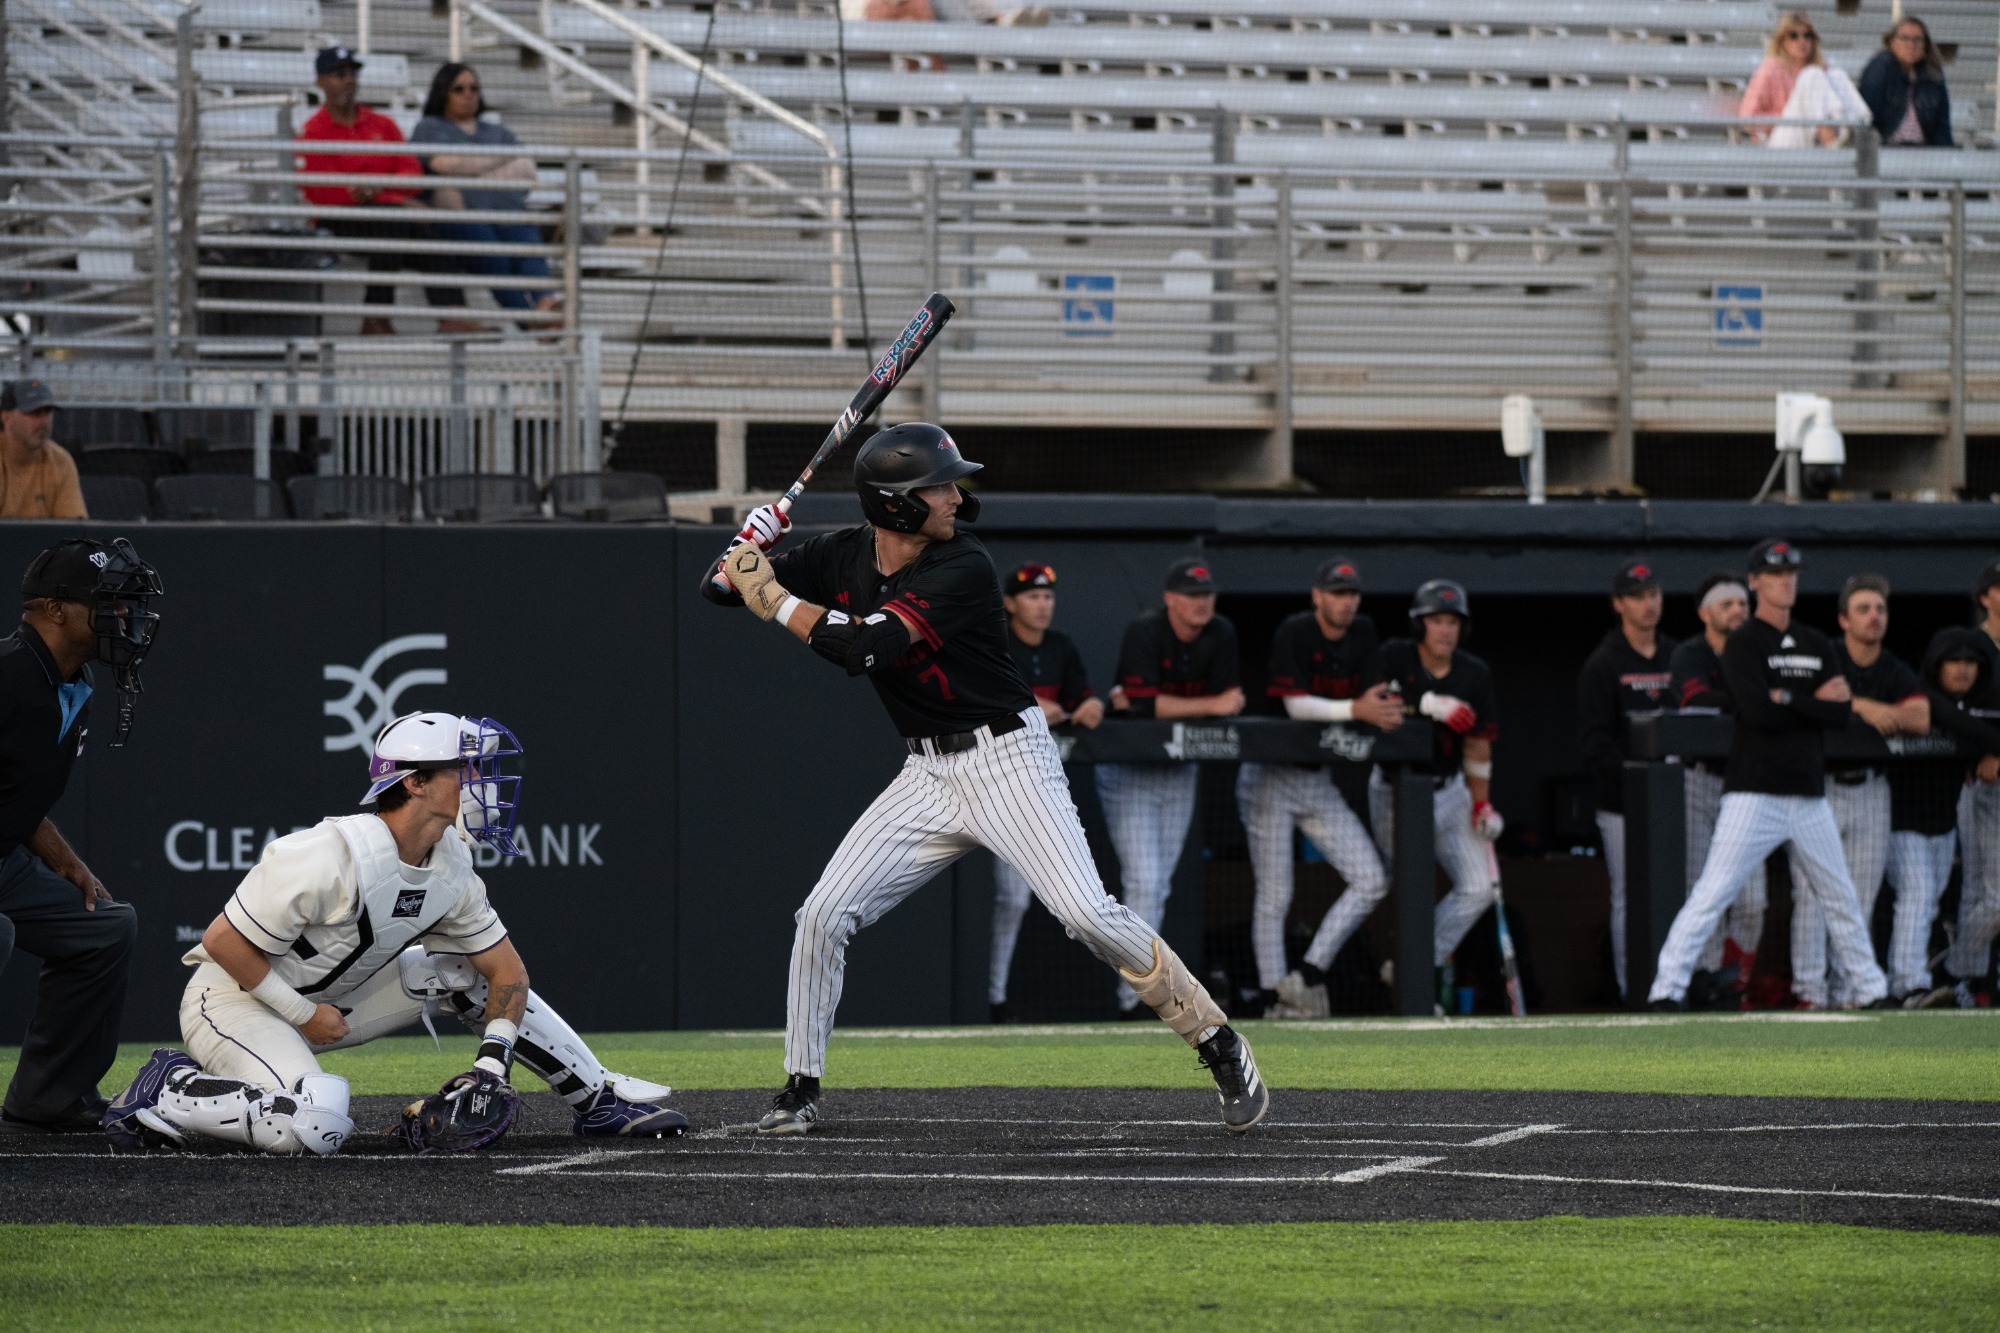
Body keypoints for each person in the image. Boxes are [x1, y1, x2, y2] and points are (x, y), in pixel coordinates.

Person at [704, 423, 1267, 1134]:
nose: (952, 494)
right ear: (896, 504)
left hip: (1007, 758)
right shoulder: (844, 552)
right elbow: (720, 589)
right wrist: (748, 543)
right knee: (821, 914)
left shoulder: (963, 563)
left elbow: (865, 646)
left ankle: (1216, 1037)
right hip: (928, 770)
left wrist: (772, 594)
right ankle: (799, 1087)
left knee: (1087, 915)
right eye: (936, 484)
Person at [100, 711, 686, 1154]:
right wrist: (302, 1016)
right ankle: (167, 1086)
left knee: (458, 969)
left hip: (330, 1001)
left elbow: (507, 974)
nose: (482, 780)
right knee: (316, 1122)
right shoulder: (324, 855)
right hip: (232, 999)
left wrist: (490, 1066)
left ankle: (597, 1101)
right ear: (415, 782)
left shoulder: (451, 861)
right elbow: (224, 943)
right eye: (467, 768)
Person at [1648, 540, 1889, 1011]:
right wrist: (1806, 702)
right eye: (1776, 574)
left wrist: (1788, 698)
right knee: (1713, 893)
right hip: (1753, 792)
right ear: (1755, 581)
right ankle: (1666, 988)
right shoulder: (1743, 641)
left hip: (1807, 794)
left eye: (1792, 573)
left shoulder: (1816, 641)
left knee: (1840, 896)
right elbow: (1756, 710)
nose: (1786, 581)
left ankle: (1872, 989)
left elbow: (1840, 713)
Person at [0, 539, 156, 1133]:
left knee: (105, 926)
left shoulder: (72, 683)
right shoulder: (7, 673)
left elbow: (17, 794)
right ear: (55, 609)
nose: (126, 617)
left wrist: (66, 863)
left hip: (5, 860)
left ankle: (49, 1096)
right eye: (110, 603)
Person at [1235, 556, 1399, 1018]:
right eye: (1337, 593)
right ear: (1318, 596)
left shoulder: (1364, 633)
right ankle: (1272, 999)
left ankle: (1308, 975)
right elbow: (1294, 705)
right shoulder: (1295, 631)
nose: (1346, 603)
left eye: (1352, 594)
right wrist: (1355, 711)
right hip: (1270, 774)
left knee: (1371, 878)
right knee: (1275, 894)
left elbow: (1376, 695)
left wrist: (1385, 706)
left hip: (1317, 778)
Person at [1100, 555, 1243, 1016]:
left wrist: (1173, 704)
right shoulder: (1147, 630)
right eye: (1191, 595)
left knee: (1158, 887)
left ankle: (1139, 996)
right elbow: (1140, 705)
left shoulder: (1221, 634)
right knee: (1145, 880)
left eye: (1207, 595)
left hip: (1181, 771)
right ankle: (1132, 1000)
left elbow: (1233, 702)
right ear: (1170, 599)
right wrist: (1207, 704)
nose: (1201, 603)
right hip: (1131, 769)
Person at [1788, 575, 1927, 1009]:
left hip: (1871, 788)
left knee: (1859, 894)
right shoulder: (1823, 655)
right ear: (1844, 619)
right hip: (1819, 788)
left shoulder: (1891, 667)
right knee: (1811, 894)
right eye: (1864, 609)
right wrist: (1862, 707)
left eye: (1880, 609)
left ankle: (1850, 991)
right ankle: (1810, 991)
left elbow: (1920, 718)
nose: (1874, 617)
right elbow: (1799, 700)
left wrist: (1868, 708)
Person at [1367, 579, 1502, 976]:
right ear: (1419, 625)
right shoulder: (1394, 656)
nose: (1445, 630)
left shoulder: (1475, 674)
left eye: (1453, 622)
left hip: (1450, 790)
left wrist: (1482, 802)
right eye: (1436, 620)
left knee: (1479, 888)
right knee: (1411, 885)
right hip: (1393, 791)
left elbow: (1478, 745)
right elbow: (1373, 708)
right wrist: (1426, 705)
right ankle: (1413, 973)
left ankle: (1415, 965)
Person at [987, 561, 1103, 1022]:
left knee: (1073, 902)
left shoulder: (1061, 647)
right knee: (1010, 899)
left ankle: (999, 1000)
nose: (1042, 605)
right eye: (1033, 597)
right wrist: (1035, 708)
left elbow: (1084, 698)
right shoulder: (998, 642)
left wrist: (1089, 704)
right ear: (1010, 603)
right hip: (995, 781)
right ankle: (992, 998)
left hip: (1047, 786)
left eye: (1048, 597)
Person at [295, 46, 475, 336]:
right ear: (321, 82)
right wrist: (387, 195)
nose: (349, 79)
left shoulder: (382, 124)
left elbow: (411, 171)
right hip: (340, 220)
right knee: (396, 223)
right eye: (339, 73)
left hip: (386, 217)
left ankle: (450, 315)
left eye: (353, 72)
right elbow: (323, 191)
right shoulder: (314, 131)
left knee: (426, 234)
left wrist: (375, 189)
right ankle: (380, 315)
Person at [1576, 559, 1677, 999]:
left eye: (1653, 594)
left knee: (1685, 891)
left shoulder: (1678, 654)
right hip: (1622, 803)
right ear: (1618, 604)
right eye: (1637, 597)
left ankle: (1676, 983)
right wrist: (1638, 783)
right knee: (1629, 897)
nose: (1648, 604)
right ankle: (1630, 987)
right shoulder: (1603, 663)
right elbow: (1595, 743)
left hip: (1678, 797)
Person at [1672, 572, 1767, 994]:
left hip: (1748, 781)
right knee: (1701, 885)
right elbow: (1698, 701)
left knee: (1751, 898)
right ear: (1705, 612)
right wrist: (1752, 702)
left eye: (1743, 604)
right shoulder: (1689, 654)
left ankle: (1735, 978)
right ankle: (1708, 976)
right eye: (1727, 604)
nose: (1737, 610)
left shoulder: (1761, 651)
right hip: (1700, 779)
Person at [410, 63, 559, 326]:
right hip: (462, 218)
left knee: (528, 245)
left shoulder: (495, 130)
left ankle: (545, 303)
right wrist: (501, 160)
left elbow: (526, 169)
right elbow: (446, 164)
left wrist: (468, 178)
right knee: (494, 257)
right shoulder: (430, 128)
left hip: (506, 213)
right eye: (459, 89)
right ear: (443, 93)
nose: (468, 95)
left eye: (474, 88)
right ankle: (529, 320)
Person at [1897, 631, 2000, 1007]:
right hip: (1905, 817)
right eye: (1954, 661)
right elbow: (1956, 723)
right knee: (1926, 896)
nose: (1962, 669)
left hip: (1955, 813)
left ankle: (1955, 976)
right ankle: (1924, 982)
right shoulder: (1921, 692)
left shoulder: (1983, 699)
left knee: (1957, 897)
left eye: (1970, 663)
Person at [1741, 12, 1858, 148]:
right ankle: (1834, 144)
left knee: (1837, 75)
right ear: (1782, 41)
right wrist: (1786, 116)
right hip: (1781, 137)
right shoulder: (1771, 67)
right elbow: (1747, 118)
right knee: (1812, 75)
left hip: (1812, 136)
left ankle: (1858, 128)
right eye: (1793, 36)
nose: (1802, 41)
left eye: (1807, 35)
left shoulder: (1820, 68)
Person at [1859, 15, 1954, 148]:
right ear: (1892, 41)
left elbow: (1942, 123)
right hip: (1887, 147)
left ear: (1925, 44)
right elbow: (1868, 116)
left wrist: (1945, 157)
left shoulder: (1933, 72)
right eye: (1904, 38)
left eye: (1917, 39)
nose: (1911, 45)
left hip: (1924, 150)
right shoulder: (1879, 68)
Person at [0, 380, 85, 521]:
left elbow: (73, 532)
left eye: (48, 412)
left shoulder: (60, 461)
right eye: (34, 412)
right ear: (6, 416)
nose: (43, 421)